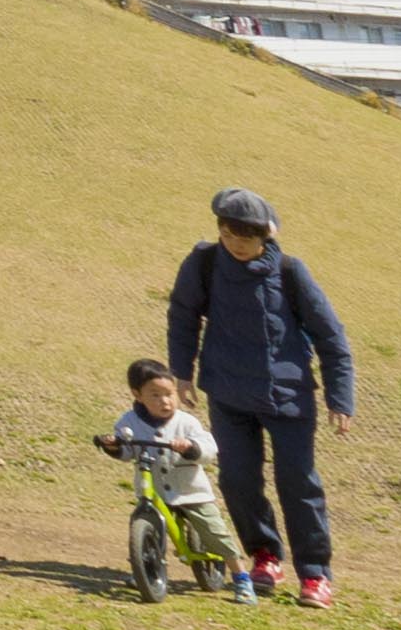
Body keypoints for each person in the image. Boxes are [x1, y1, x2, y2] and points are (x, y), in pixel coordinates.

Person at [168, 186, 356, 605]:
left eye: (246, 239)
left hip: (287, 399)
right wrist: (182, 371)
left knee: (298, 484)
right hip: (228, 393)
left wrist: (340, 396)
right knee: (237, 480)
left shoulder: (290, 272)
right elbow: (183, 316)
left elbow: (331, 336)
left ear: (265, 237)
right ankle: (265, 555)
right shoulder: (203, 263)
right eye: (229, 235)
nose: (236, 245)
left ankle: (315, 575)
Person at [101, 355, 261, 598]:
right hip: (153, 492)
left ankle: (240, 576)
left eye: (169, 393)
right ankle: (144, 569)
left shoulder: (186, 422)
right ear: (137, 395)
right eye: (155, 395)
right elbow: (126, 449)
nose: (165, 401)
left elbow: (209, 448)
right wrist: (113, 445)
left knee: (213, 529)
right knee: (148, 527)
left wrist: (190, 446)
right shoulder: (129, 422)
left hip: (190, 492)